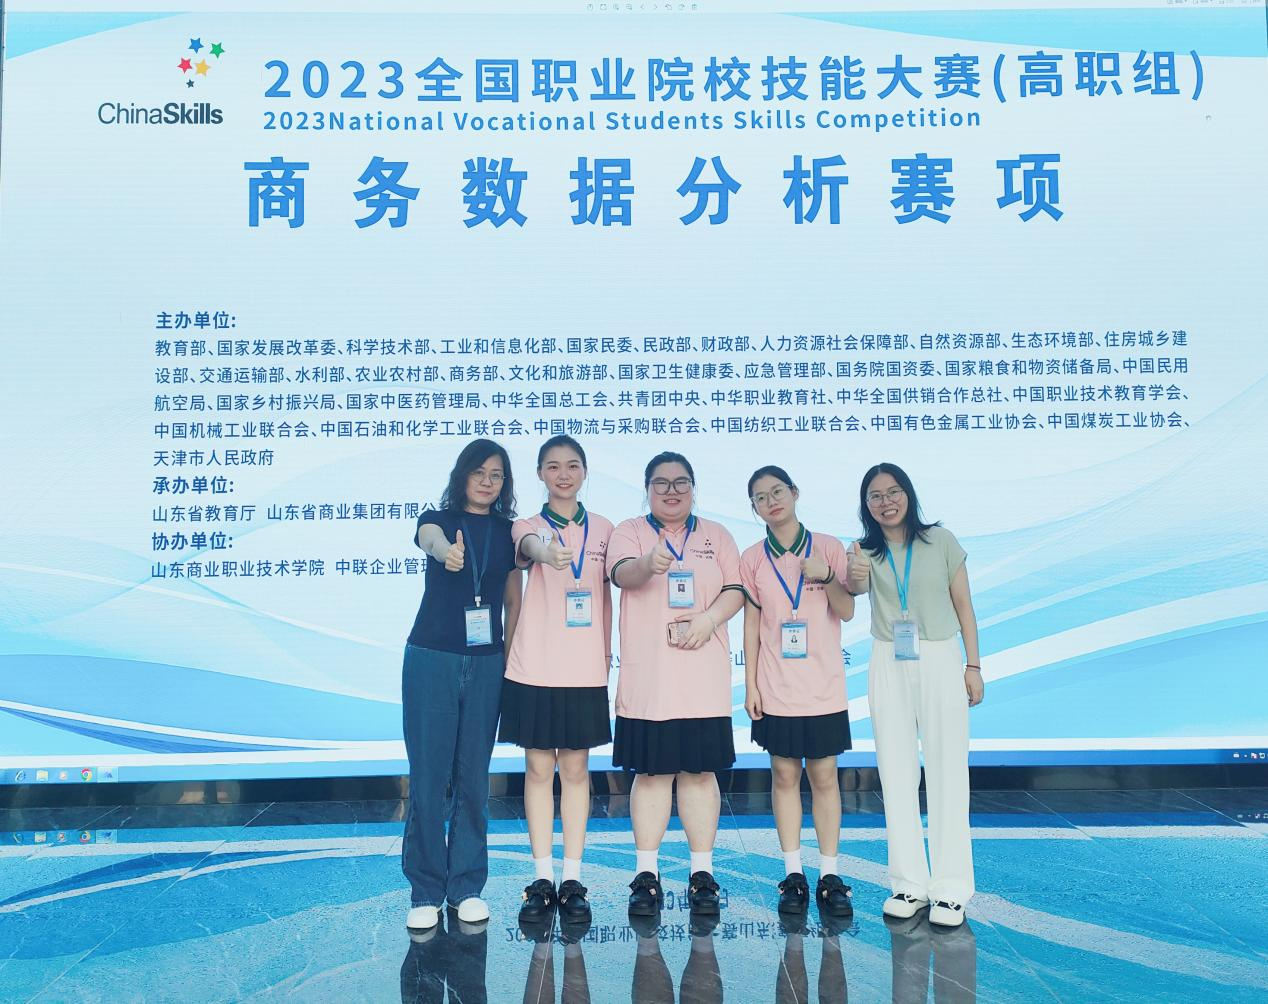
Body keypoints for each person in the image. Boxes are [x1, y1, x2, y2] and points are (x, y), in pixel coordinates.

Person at [606, 452, 745, 918]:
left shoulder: (716, 535)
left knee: (701, 775)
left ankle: (701, 873)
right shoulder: (629, 531)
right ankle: (647, 874)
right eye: (661, 483)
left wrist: (708, 619)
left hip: (703, 677)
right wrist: (649, 562)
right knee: (651, 775)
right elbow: (622, 574)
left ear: (693, 488)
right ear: (647, 489)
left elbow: (736, 589)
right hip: (651, 680)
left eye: (681, 482)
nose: (671, 490)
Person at [847, 463, 983, 928]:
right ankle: (908, 883)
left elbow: (964, 606)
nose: (886, 502)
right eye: (875, 496)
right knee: (896, 771)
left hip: (940, 654)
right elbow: (854, 591)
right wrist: (853, 571)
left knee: (948, 769)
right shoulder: (864, 550)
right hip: (888, 658)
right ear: (866, 505)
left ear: (908, 494)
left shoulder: (941, 541)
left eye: (893, 492)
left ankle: (951, 888)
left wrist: (973, 665)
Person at [401, 439, 523, 931]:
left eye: (496, 475)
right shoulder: (438, 519)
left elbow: (513, 602)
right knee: (429, 779)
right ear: (462, 475)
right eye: (479, 472)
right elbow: (427, 537)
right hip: (432, 658)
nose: (487, 482)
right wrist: (445, 552)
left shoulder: (508, 532)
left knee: (474, 778)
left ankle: (467, 886)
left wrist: (509, 659)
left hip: (487, 661)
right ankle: (426, 890)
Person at [498, 435, 613, 927]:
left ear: (584, 471)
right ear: (540, 474)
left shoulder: (605, 529)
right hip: (535, 665)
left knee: (577, 771)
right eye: (552, 466)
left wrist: (607, 654)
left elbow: (613, 591)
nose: (563, 474)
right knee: (538, 769)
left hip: (584, 667)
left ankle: (572, 879)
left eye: (571, 465)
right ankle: (542, 878)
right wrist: (544, 552)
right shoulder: (526, 526)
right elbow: (527, 549)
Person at [740, 466, 856, 919]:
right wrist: (751, 684)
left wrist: (826, 576)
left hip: (823, 686)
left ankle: (829, 875)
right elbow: (752, 624)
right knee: (784, 776)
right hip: (776, 686)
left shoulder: (828, 546)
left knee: (824, 777)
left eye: (777, 491)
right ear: (754, 508)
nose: (771, 501)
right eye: (760, 497)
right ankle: (793, 873)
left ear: (795, 492)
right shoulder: (753, 558)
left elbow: (846, 610)